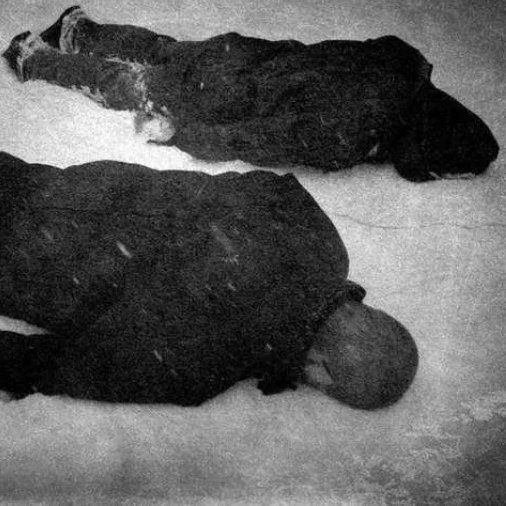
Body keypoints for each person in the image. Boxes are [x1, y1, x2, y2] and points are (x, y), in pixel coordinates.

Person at [0, 152, 418, 409]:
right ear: (323, 372)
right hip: (24, 261)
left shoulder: (322, 243)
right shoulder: (210, 359)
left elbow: (264, 185)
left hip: (76, 189)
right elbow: (73, 366)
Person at [3, 6, 498, 182]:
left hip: (246, 55)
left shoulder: (403, 61)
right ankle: (34, 58)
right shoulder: (351, 135)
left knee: (165, 50)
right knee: (133, 86)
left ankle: (79, 30)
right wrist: (182, 135)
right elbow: (260, 138)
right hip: (225, 96)